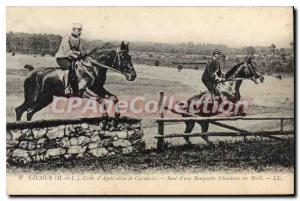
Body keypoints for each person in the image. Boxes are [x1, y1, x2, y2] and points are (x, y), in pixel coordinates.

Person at [55, 23, 87, 96]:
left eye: (80, 30)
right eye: (78, 30)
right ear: (73, 30)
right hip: (62, 57)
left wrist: (84, 55)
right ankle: (66, 88)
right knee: (69, 67)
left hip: (72, 58)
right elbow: (67, 51)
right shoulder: (66, 37)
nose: (80, 32)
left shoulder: (79, 39)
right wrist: (76, 55)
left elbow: (82, 50)